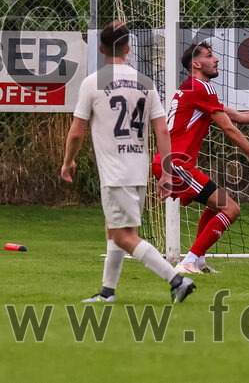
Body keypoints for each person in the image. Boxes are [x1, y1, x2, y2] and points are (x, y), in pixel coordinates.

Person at [61, 21, 196, 303]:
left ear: (101, 49)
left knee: (123, 236)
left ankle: (177, 279)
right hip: (138, 170)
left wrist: (68, 162)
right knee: (117, 230)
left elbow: (76, 131)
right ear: (129, 47)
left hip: (115, 173)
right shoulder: (145, 83)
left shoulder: (93, 82)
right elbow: (161, 129)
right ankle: (107, 292)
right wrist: (167, 173)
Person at [154, 41, 249, 275]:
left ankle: (197, 260)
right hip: (176, 164)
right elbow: (229, 129)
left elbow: (238, 117)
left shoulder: (194, 88)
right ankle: (188, 262)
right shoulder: (202, 88)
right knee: (231, 209)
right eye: (210, 56)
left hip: (172, 163)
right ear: (197, 63)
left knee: (217, 204)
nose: (216, 59)